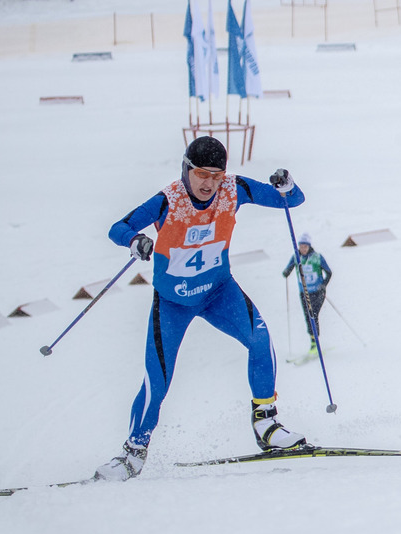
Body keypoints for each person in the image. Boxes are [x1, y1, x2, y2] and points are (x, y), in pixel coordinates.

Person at [95, 136, 309, 481]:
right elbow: (117, 228)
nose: (209, 183)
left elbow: (292, 200)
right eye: (201, 174)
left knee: (260, 339)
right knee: (158, 380)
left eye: (216, 174)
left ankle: (266, 425)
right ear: (186, 169)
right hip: (172, 302)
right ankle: (133, 452)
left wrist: (288, 185)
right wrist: (136, 241)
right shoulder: (168, 200)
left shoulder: (234, 189)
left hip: (218, 293)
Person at [282, 233, 333, 356]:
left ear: (309, 246)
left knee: (313, 315)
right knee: (308, 317)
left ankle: (315, 345)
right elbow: (288, 269)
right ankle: (313, 343)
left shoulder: (317, 257)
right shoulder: (296, 257)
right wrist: (286, 272)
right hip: (304, 293)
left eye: (305, 246)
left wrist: (323, 284)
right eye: (301, 246)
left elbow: (329, 272)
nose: (303, 249)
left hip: (318, 292)